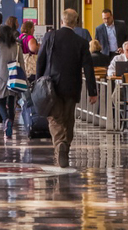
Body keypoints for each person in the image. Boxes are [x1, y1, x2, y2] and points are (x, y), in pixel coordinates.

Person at [35, 9, 98, 170]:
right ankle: (65, 146)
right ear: (76, 23)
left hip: (51, 86)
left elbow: (40, 60)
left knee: (55, 119)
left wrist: (38, 82)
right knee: (69, 119)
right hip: (72, 86)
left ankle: (60, 145)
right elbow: (88, 68)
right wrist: (92, 91)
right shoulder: (82, 42)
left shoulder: (50, 36)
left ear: (61, 20)